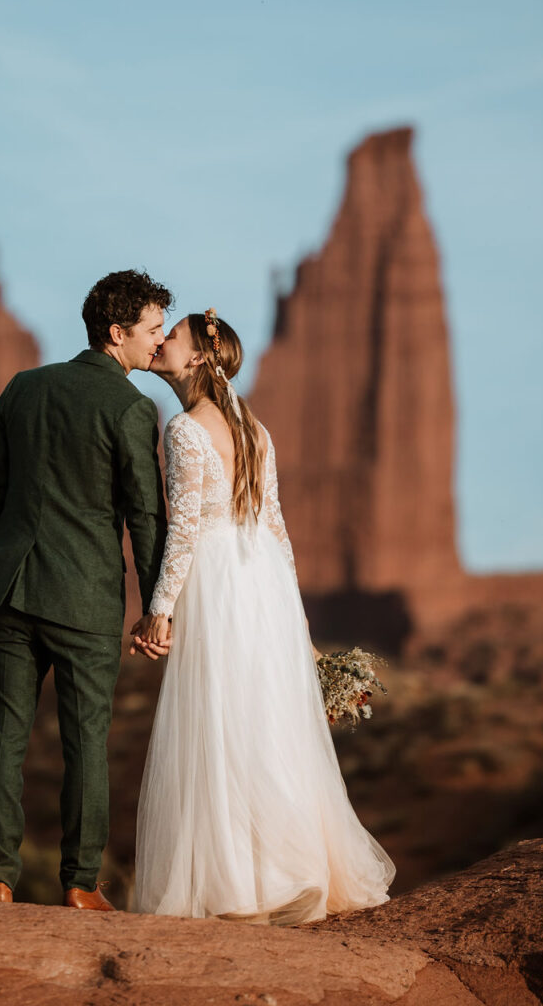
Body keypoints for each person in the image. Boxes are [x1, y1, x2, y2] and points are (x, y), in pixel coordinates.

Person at [131, 309, 396, 924]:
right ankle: (289, 869)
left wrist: (160, 611)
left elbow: (187, 530)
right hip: (263, 581)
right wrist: (296, 619)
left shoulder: (184, 429)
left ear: (197, 358)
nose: (163, 342)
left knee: (220, 722)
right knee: (265, 721)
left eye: (173, 337)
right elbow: (276, 527)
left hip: (220, 581)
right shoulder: (255, 428)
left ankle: (240, 885)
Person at [0, 269, 171, 910]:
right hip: (83, 600)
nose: (159, 343)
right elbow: (145, 514)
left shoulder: (22, 389)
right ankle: (81, 884)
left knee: (4, 733)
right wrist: (156, 606)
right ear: (117, 334)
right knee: (86, 741)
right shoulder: (132, 409)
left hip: (12, 587)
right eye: (152, 330)